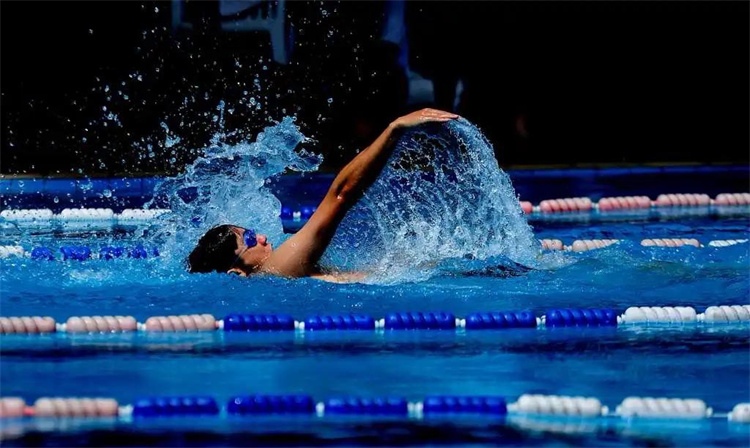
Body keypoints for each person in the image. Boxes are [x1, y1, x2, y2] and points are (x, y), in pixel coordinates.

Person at [187, 108, 459, 282]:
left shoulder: (277, 275)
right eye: (248, 239)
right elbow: (341, 195)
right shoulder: (278, 268)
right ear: (237, 272)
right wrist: (394, 129)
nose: (260, 236)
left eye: (251, 231)